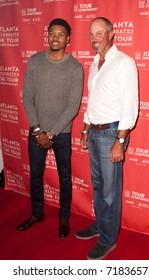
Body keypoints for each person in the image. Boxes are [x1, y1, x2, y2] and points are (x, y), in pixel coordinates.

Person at [75, 17, 138, 259]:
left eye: (100, 33)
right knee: (99, 187)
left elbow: (130, 105)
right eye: (92, 34)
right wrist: (85, 128)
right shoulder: (94, 63)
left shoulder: (124, 63)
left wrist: (120, 141)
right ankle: (101, 225)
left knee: (110, 191)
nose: (94, 38)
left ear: (112, 34)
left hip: (112, 133)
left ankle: (108, 239)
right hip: (94, 132)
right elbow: (94, 99)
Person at [17, 18, 84, 238]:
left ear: (68, 38)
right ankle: (37, 213)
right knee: (35, 175)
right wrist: (37, 130)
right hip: (37, 132)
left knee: (65, 177)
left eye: (60, 34)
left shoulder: (75, 67)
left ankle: (64, 216)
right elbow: (27, 97)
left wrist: (51, 133)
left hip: (61, 134)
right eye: (51, 33)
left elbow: (73, 106)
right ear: (48, 36)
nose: (55, 37)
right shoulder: (35, 61)